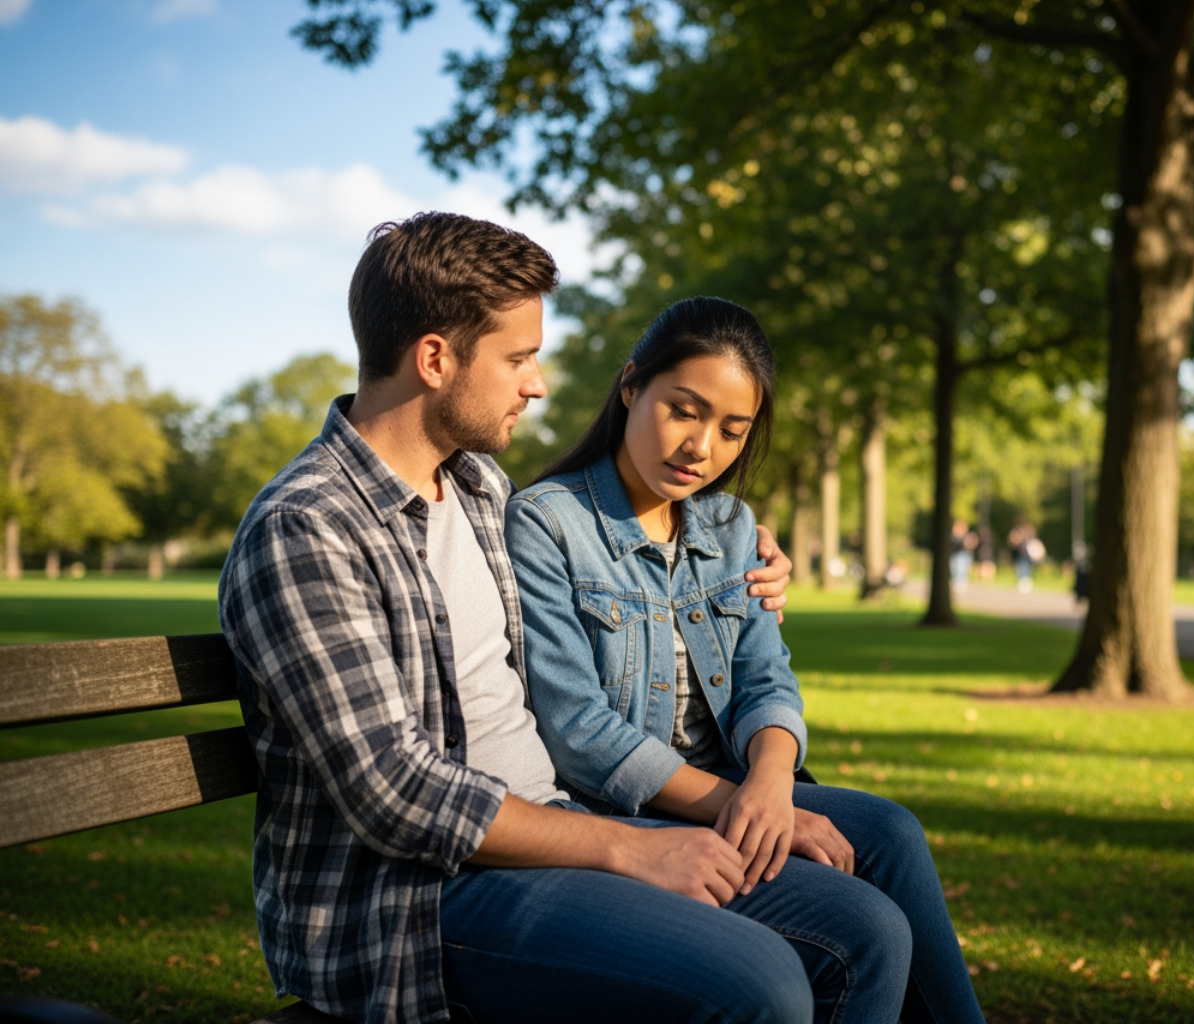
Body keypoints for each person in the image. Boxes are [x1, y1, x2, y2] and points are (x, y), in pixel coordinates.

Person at [217, 213, 872, 1024]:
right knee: (760, 984)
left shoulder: (480, 489)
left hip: (558, 830)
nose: (538, 383)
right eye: (519, 358)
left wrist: (744, 556)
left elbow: (602, 568)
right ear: (434, 359)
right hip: (422, 902)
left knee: (861, 929)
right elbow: (395, 793)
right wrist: (630, 846)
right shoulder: (307, 526)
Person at [505, 297, 986, 1024]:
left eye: (732, 429)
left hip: (736, 783)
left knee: (891, 831)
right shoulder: (548, 522)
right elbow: (577, 730)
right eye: (683, 410)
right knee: (869, 924)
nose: (701, 447)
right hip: (628, 810)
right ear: (632, 386)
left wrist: (769, 782)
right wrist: (741, 804)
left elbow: (767, 675)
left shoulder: (730, 526)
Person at [1007, 521, 1045, 594]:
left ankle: (1024, 584)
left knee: (1023, 569)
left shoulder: (1018, 533)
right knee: (1024, 569)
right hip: (1024, 554)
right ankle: (1024, 584)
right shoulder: (1026, 533)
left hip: (1023, 553)